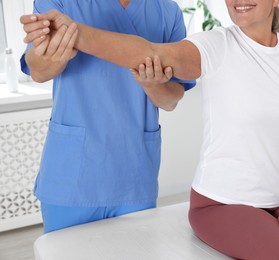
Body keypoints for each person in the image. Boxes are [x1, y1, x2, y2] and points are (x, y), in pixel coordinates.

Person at [21, 0, 279, 259]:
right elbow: (148, 51)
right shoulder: (215, 44)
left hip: (145, 174)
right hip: (84, 171)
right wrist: (71, 33)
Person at [19, 0, 195, 233]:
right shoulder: (61, 2)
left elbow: (171, 100)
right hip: (71, 175)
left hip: (133, 175)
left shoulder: (167, 12)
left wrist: (153, 86)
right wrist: (53, 52)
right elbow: (38, 71)